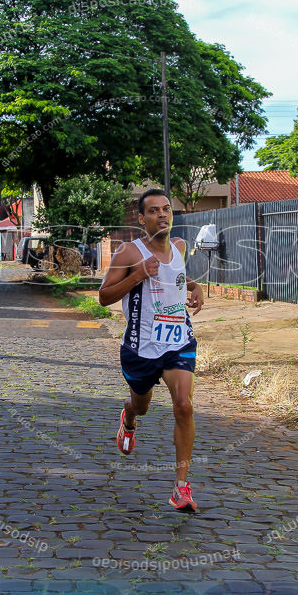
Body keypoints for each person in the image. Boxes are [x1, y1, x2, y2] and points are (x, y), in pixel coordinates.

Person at [98, 189, 204, 513]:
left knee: (184, 406)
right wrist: (139, 273)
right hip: (140, 349)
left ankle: (180, 487)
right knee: (141, 406)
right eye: (154, 211)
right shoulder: (129, 253)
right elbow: (104, 296)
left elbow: (177, 279)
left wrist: (194, 286)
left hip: (177, 342)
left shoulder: (181, 247)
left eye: (166, 209)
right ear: (142, 219)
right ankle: (128, 417)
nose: (162, 215)